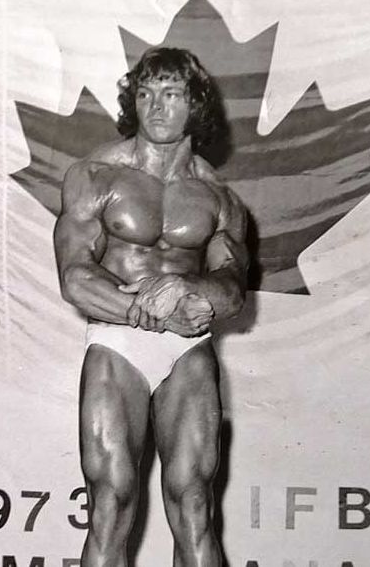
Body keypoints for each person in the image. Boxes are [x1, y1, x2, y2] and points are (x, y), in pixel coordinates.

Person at [54, 47, 248, 567]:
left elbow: (232, 286)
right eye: (145, 94)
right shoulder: (94, 177)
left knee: (193, 503)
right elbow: (75, 277)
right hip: (117, 343)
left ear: (195, 105)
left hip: (187, 349)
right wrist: (157, 306)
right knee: (111, 502)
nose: (155, 107)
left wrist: (190, 287)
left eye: (171, 94)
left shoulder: (218, 197)